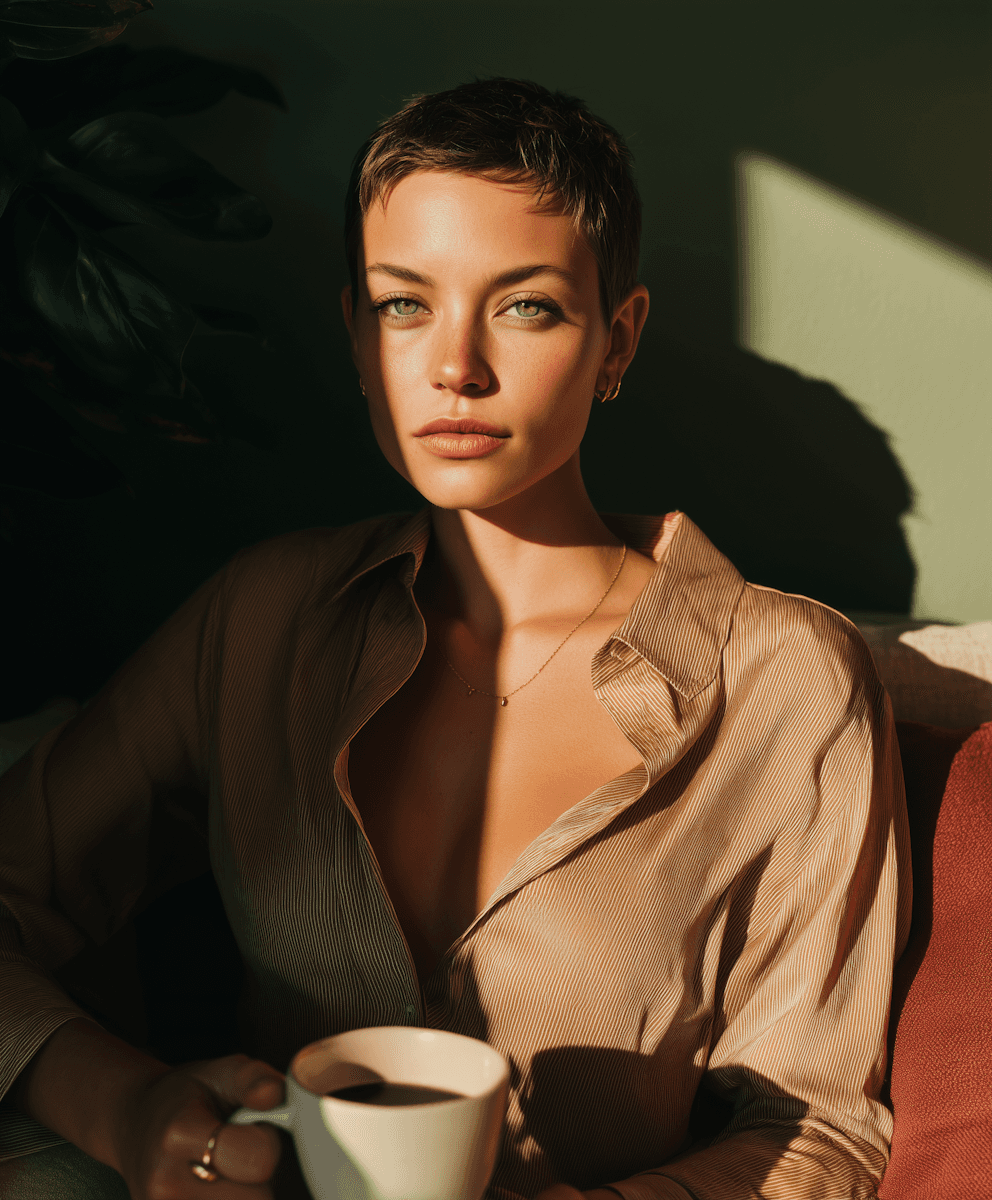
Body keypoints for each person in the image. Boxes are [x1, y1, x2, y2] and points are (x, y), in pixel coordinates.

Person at [0, 78, 910, 1200]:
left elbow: (817, 1126)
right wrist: (126, 1105)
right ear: (354, 330)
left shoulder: (783, 679)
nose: (454, 366)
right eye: (403, 305)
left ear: (615, 340)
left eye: (524, 305)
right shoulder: (260, 621)